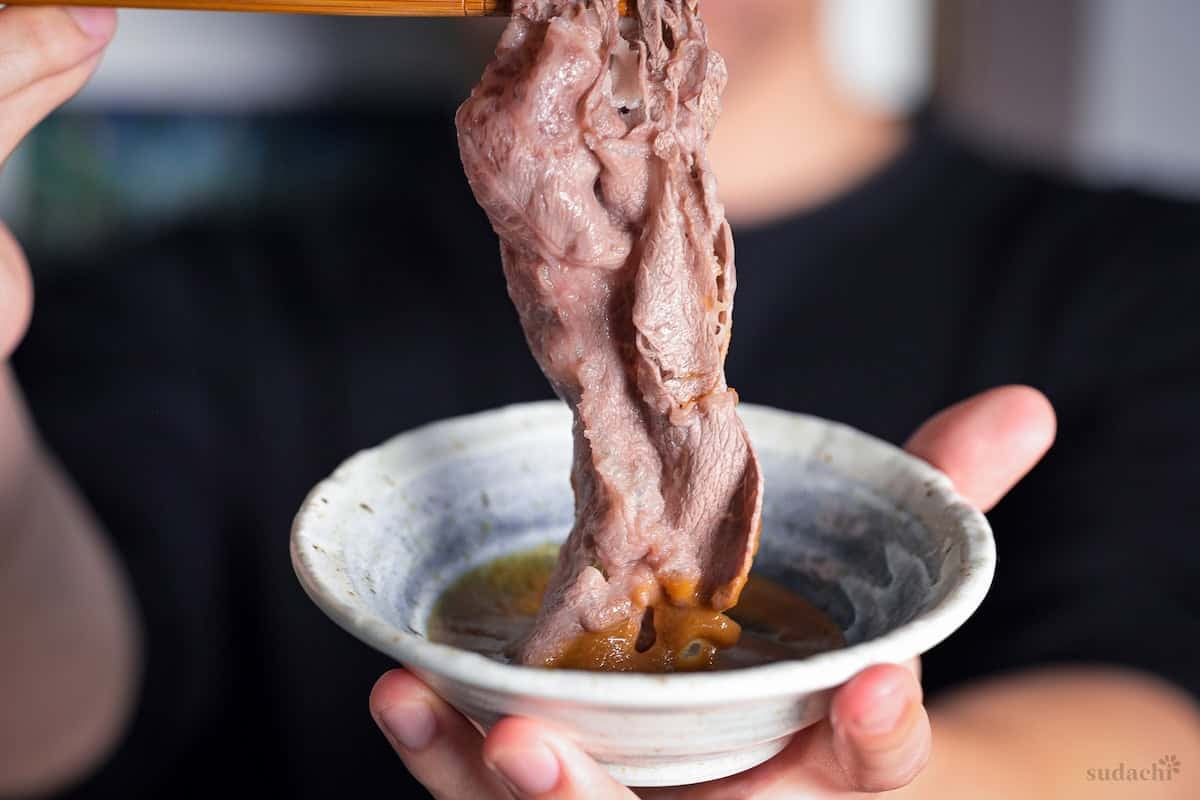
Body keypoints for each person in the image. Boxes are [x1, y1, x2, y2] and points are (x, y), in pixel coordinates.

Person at [2, 3, 1198, 798]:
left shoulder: (1137, 277)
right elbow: (39, 726)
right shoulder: (212, 288)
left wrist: (880, 779)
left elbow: (1158, 745)